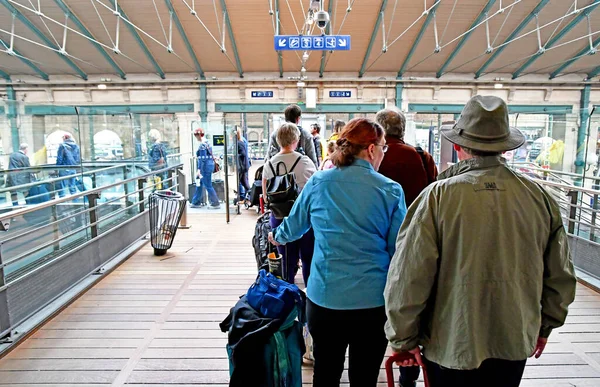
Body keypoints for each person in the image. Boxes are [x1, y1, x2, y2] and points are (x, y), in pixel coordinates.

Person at [384, 95, 577, 387]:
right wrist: (546, 325)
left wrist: (403, 337)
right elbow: (560, 275)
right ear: (505, 146)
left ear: (460, 146)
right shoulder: (539, 198)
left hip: (450, 340)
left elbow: (409, 276)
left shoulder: (437, 198)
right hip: (514, 336)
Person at [268, 118, 407, 387]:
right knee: (364, 377)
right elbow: (397, 250)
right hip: (372, 302)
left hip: (325, 300)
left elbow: (294, 227)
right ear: (370, 149)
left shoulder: (319, 182)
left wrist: (277, 236)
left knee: (326, 373)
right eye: (383, 148)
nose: (383, 154)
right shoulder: (390, 190)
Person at [262, 123, 316, 285]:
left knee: (286, 262)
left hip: (279, 218)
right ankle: (309, 297)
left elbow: (266, 197)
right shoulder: (305, 162)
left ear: (278, 141)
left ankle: (287, 298)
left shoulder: (269, 164)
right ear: (296, 140)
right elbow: (315, 192)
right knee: (308, 259)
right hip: (304, 219)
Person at [376, 108, 438, 207]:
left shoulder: (371, 155)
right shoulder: (422, 156)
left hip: (378, 217)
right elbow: (434, 190)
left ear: (378, 129)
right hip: (415, 217)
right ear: (403, 128)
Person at [190, 128, 220, 209]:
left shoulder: (202, 145)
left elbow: (202, 159)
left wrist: (199, 170)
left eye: (196, 135)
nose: (196, 137)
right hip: (209, 166)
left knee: (207, 185)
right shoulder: (207, 143)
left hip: (204, 168)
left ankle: (215, 202)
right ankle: (195, 201)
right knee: (199, 184)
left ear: (199, 135)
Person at [236, 128, 251, 204]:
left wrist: (236, 155)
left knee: (242, 182)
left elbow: (243, 154)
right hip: (243, 166)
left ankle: (244, 197)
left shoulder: (239, 142)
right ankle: (249, 197)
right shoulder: (241, 141)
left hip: (242, 167)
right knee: (244, 182)